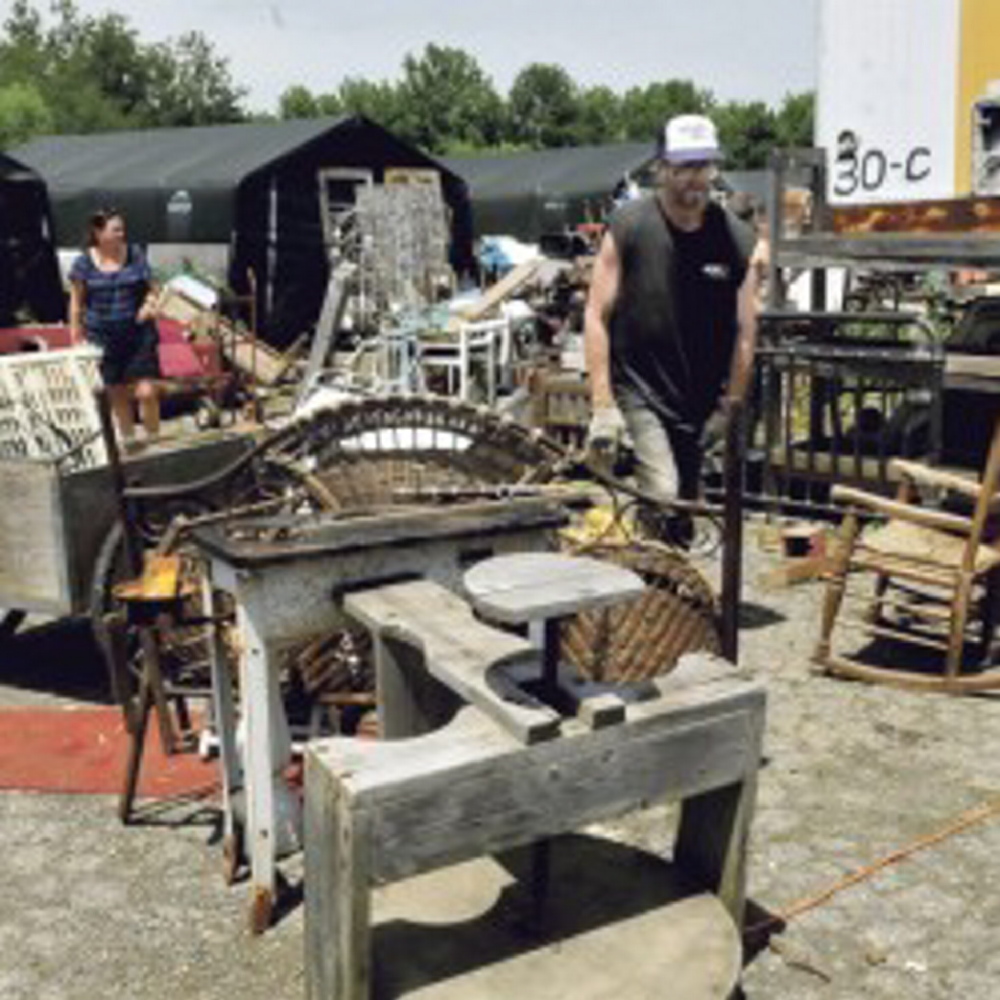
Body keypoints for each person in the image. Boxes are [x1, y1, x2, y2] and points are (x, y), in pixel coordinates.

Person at [584, 114, 758, 538]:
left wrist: (729, 408)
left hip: (696, 400)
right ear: (661, 169)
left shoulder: (735, 238)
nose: (693, 179)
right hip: (640, 388)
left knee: (684, 510)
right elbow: (595, 313)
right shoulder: (630, 226)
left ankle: (664, 591)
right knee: (663, 492)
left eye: (702, 167)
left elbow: (747, 331)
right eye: (682, 168)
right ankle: (651, 581)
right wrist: (603, 404)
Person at [68, 208, 161, 448]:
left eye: (122, 229)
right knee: (116, 393)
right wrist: (75, 335)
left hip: (138, 334)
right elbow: (76, 302)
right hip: (102, 337)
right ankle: (129, 442)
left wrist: (149, 304)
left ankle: (156, 443)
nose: (122, 234)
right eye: (115, 229)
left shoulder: (135, 254)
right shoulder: (83, 263)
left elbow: (154, 288)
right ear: (98, 232)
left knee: (146, 392)